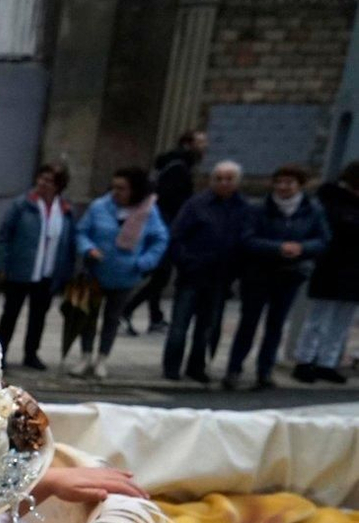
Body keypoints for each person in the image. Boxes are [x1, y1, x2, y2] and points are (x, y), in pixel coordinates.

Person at [225, 164, 331, 390]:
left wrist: (302, 248)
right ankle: (234, 369)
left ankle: (265, 370)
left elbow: (323, 240)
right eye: (279, 182)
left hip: (291, 273)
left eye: (289, 183)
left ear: (300, 185)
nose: (283, 187)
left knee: (276, 325)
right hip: (259, 273)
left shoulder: (312, 210)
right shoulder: (259, 208)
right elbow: (247, 239)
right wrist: (278, 248)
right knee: (248, 322)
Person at [73, 167, 170, 379]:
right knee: (88, 317)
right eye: (114, 187)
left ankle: (102, 358)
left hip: (126, 274)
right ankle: (85, 355)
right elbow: (82, 232)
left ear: (134, 190)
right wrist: (88, 249)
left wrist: (144, 262)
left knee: (112, 318)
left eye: (122, 188)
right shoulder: (99, 206)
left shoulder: (147, 210)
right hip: (96, 272)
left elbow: (160, 238)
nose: (116, 192)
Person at [161, 160, 250, 383]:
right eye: (218, 178)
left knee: (208, 326)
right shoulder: (196, 204)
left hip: (221, 276)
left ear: (237, 182)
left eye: (229, 179)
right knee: (180, 325)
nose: (223, 183)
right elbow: (177, 236)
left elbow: (245, 240)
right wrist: (185, 262)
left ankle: (197, 366)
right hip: (192, 273)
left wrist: (236, 269)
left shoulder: (243, 208)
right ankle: (172, 366)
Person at [0, 163, 73, 371]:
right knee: (10, 313)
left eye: (49, 181)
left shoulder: (64, 209)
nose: (43, 184)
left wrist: (65, 272)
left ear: (58, 185)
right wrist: (1, 265)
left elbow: (67, 241)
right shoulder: (23, 204)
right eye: (41, 178)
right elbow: (4, 236)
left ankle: (31, 353)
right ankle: (1, 353)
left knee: (39, 316)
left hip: (47, 271)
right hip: (20, 268)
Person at [128, 129, 209, 335]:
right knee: (161, 274)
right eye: (200, 142)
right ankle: (127, 310)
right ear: (187, 144)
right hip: (166, 227)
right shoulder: (178, 168)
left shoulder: (176, 164)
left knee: (160, 274)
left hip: (163, 225)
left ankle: (155, 317)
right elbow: (171, 201)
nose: (205, 146)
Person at [292, 162, 359, 384]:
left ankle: (327, 361)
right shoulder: (332, 201)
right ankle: (305, 359)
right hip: (333, 266)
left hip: (352, 269)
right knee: (319, 318)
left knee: (342, 320)